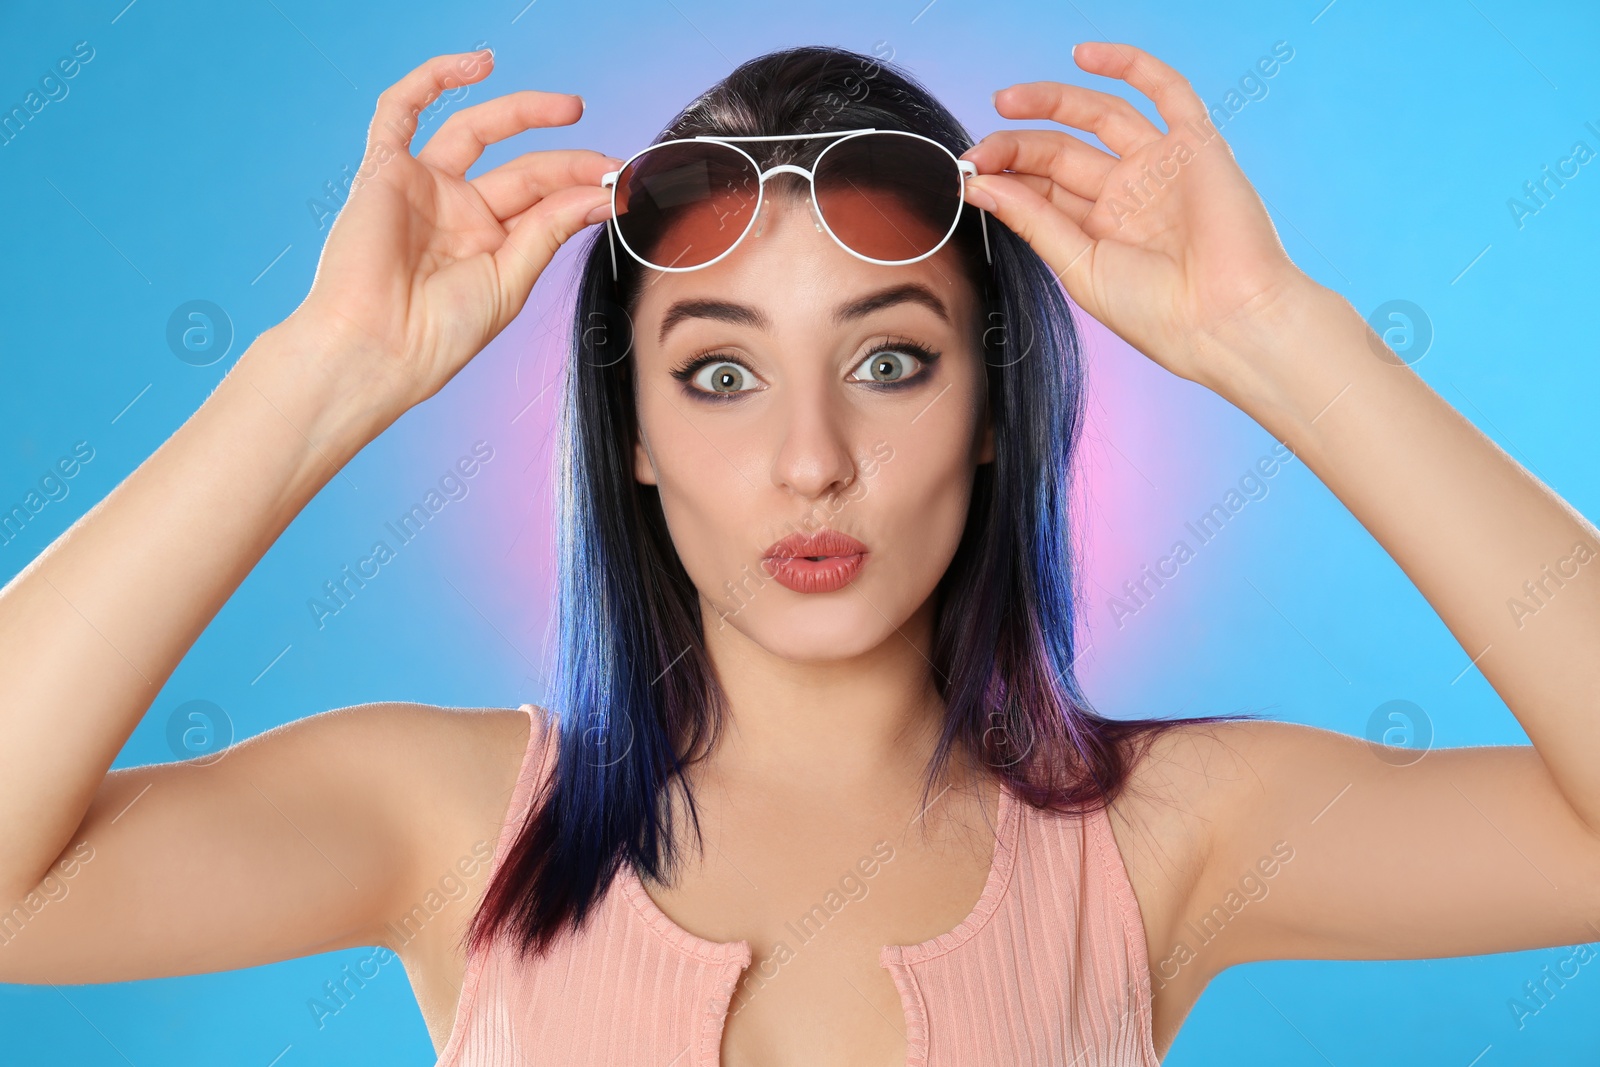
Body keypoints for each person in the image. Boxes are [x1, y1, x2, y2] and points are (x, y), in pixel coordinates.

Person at [2, 38, 1598, 1067]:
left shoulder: (1162, 836)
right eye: (717, 371)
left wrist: (1281, 337)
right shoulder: (450, 822)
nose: (812, 458)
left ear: (992, 407)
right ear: (628, 432)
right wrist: (315, 376)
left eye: (892, 360)